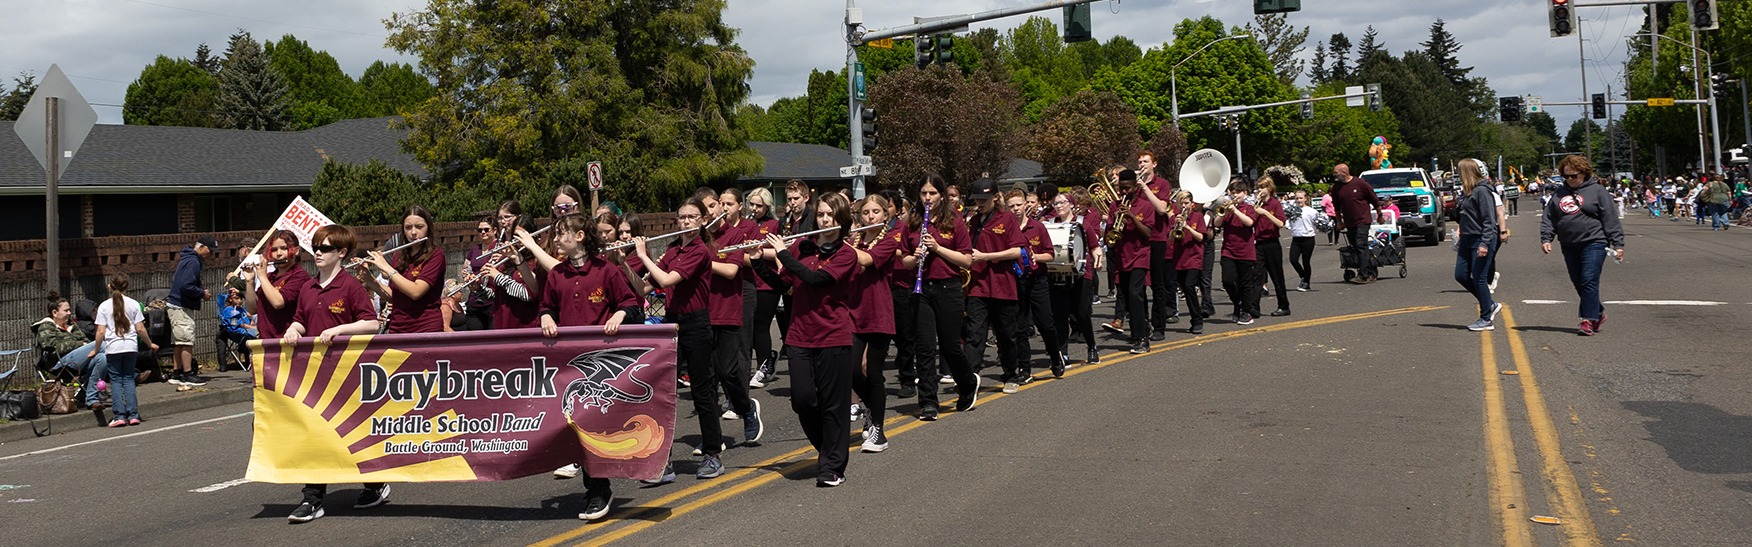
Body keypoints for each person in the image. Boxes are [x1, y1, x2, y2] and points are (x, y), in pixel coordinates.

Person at [280, 224, 389, 523]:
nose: (317, 252)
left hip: (348, 373)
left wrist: (339, 329)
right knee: (315, 434)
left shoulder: (350, 287)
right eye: (315, 247)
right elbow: (301, 320)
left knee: (351, 433)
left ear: (341, 252)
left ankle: (375, 484)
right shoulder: (307, 287)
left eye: (325, 248)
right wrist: (293, 329)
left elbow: (371, 323)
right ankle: (312, 499)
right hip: (315, 374)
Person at [536, 214, 641, 520]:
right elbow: (547, 306)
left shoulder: (606, 270)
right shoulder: (557, 274)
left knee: (597, 426)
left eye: (561, 234)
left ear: (580, 236)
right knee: (575, 427)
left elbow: (630, 304)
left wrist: (620, 316)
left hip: (602, 363)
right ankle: (596, 486)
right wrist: (545, 316)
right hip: (570, 364)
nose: (556, 239)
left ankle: (600, 487)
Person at [764, 192, 859, 486]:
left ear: (841, 221)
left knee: (833, 404)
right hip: (800, 335)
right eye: (821, 215)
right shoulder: (803, 248)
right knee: (803, 401)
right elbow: (784, 284)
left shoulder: (847, 254)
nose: (825, 220)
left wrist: (783, 255)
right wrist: (757, 263)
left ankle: (832, 466)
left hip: (833, 335)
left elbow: (816, 281)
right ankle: (827, 451)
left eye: (831, 215)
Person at [635, 196, 731, 479]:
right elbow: (644, 289)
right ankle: (662, 461)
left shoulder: (700, 251)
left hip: (697, 323)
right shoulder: (673, 249)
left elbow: (666, 281)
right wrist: (625, 263)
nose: (686, 222)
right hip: (672, 323)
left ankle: (713, 454)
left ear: (702, 221)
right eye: (682, 217)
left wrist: (642, 256)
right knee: (663, 393)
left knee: (702, 392)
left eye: (691, 217)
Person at [908, 174, 980, 420]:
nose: (927, 198)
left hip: (948, 287)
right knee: (925, 348)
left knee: (950, 347)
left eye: (932, 194)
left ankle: (968, 382)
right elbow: (904, 259)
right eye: (923, 193)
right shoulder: (914, 221)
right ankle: (928, 401)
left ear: (941, 195)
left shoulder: (955, 221)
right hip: (922, 290)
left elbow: (967, 260)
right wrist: (915, 256)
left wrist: (938, 248)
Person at [1540, 155, 1625, 336]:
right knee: (1578, 281)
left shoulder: (1597, 191)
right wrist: (1546, 238)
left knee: (1588, 279)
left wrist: (1618, 244)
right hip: (1569, 243)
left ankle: (1587, 320)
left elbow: (1610, 218)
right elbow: (1549, 217)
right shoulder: (1559, 193)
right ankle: (1598, 311)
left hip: (1595, 241)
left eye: (1574, 176)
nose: (1570, 179)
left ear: (1584, 173)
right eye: (1566, 176)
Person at [961, 178, 1029, 394]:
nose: (979, 203)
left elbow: (1018, 251)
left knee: (1006, 334)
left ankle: (1010, 374)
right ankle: (970, 377)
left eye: (983, 199)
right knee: (974, 334)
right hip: (978, 287)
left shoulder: (1007, 219)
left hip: (1002, 286)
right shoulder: (973, 221)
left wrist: (987, 256)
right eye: (977, 199)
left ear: (995, 198)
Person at [848, 195, 901, 452]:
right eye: (866, 212)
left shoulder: (889, 241)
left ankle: (878, 430)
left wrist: (839, 246)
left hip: (878, 313)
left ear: (885, 215)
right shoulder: (854, 240)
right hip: (853, 312)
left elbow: (866, 260)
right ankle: (871, 407)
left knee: (873, 371)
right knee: (851, 370)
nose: (870, 216)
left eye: (876, 211)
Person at [1007, 188, 1066, 378]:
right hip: (1016, 280)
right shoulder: (1007, 228)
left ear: (1026, 204)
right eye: (1011, 206)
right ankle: (1024, 367)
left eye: (1018, 205)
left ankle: (1055, 356)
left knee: (1045, 324)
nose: (1016, 209)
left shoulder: (1038, 227)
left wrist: (1036, 257)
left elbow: (1050, 254)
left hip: (1037, 279)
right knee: (1020, 326)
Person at [362, 206, 447, 335]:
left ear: (428, 228)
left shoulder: (436, 255)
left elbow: (416, 292)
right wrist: (368, 278)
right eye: (408, 227)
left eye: (419, 227)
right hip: (398, 326)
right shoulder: (399, 255)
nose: (413, 232)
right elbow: (394, 296)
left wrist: (386, 267)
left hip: (425, 327)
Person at [92, 273, 156, 428]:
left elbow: (100, 332)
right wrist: (150, 344)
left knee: (115, 380)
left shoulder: (104, 306)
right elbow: (140, 329)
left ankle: (119, 415)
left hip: (113, 347)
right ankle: (133, 415)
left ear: (110, 286)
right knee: (128, 379)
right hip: (130, 346)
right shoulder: (134, 304)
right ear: (127, 287)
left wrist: (95, 350)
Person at [1046, 189, 1102, 365]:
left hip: (1080, 273)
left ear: (1071, 204)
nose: (1059, 206)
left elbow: (1094, 247)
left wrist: (1098, 259)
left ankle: (1092, 346)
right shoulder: (1048, 224)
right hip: (1057, 274)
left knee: (1082, 314)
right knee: (1060, 315)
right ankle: (1063, 353)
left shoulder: (1082, 224)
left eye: (1062, 202)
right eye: (1056, 203)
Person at [1454, 158, 1503, 331]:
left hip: (1480, 239)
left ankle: (1486, 318)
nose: (1457, 175)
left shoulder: (1482, 191)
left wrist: (1484, 243)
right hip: (1467, 239)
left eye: (1460, 171)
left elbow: (1490, 220)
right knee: (1460, 275)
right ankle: (1490, 303)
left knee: (1480, 277)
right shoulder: (1467, 192)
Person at [1113, 169, 1157, 353]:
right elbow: (1109, 233)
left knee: (1135, 294)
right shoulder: (1114, 205)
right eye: (1121, 189)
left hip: (1140, 255)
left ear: (1135, 187)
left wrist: (1131, 217)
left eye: (1127, 188)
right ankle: (1142, 327)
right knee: (1130, 299)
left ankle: (1141, 339)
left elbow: (1148, 233)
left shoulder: (1145, 206)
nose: (1124, 192)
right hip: (1122, 256)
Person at [744, 187, 785, 388]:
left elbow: (779, 252)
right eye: (752, 204)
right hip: (748, 280)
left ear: (767, 206)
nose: (754, 208)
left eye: (759, 205)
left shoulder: (774, 225)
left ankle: (763, 367)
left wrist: (757, 251)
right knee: (748, 327)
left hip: (767, 283)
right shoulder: (745, 224)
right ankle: (765, 359)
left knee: (761, 325)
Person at [36, 293, 106, 410]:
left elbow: (85, 341)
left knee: (103, 358)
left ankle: (91, 399)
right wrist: (78, 344)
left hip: (78, 362)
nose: (69, 313)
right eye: (66, 310)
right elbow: (54, 348)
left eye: (69, 310)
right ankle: (125, 376)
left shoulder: (72, 326)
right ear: (54, 313)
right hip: (59, 364)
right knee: (103, 344)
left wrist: (82, 345)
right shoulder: (46, 327)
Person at [1136, 152, 1180, 338]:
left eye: (1145, 161)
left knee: (1158, 285)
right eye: (1139, 162)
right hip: (1138, 240)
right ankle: (1142, 324)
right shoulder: (1135, 185)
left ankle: (1159, 326)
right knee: (1138, 287)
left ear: (1154, 163)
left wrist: (1144, 188)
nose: (1142, 164)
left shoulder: (1162, 184)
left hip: (1157, 239)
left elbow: (1162, 208)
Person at [165, 234, 216, 386]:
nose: (211, 254)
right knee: (186, 340)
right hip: (181, 306)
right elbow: (186, 285)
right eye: (210, 250)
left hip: (175, 304)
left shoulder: (187, 258)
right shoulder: (193, 261)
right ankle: (187, 374)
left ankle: (176, 373)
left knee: (178, 341)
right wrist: (202, 293)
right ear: (201, 247)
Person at [1216, 178, 1260, 324]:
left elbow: (1249, 222)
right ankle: (1237, 302)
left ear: (1245, 193)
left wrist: (1235, 210)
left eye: (1238, 193)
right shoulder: (1227, 208)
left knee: (1245, 283)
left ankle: (1246, 312)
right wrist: (1222, 213)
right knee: (1227, 280)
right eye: (1232, 193)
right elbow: (1216, 224)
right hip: (1228, 250)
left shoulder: (1249, 208)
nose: (1235, 196)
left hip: (1245, 251)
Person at [1168, 190, 1209, 335]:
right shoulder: (1175, 218)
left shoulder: (1198, 216)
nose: (1184, 206)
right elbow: (1171, 239)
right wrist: (1175, 226)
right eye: (1181, 203)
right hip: (1179, 259)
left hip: (1194, 258)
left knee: (1189, 286)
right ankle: (1195, 318)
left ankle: (1197, 320)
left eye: (1186, 203)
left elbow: (1200, 237)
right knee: (1186, 289)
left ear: (1192, 204)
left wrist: (1186, 226)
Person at [1330, 163, 1379, 283]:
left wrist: (1380, 215)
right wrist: (1339, 221)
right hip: (1349, 222)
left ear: (1344, 172)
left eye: (1336, 172)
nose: (1334, 175)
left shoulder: (1360, 183)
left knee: (1361, 244)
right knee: (1356, 247)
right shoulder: (1337, 187)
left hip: (1363, 220)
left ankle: (1363, 275)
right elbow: (1336, 206)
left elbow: (1374, 199)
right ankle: (1371, 271)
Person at [1253, 173, 1290, 317]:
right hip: (1259, 243)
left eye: (1263, 187)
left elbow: (1281, 223)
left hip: (1272, 243)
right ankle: (1254, 307)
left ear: (1269, 188)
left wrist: (1265, 213)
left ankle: (1284, 305)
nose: (1260, 190)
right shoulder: (1257, 204)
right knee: (1257, 276)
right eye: (1259, 188)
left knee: (1276, 275)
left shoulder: (1274, 203)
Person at [1286, 191, 1319, 292]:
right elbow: (1287, 222)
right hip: (1296, 239)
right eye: (1297, 198)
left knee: (1306, 262)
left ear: (1306, 199)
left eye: (1301, 198)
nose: (1299, 200)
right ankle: (1303, 276)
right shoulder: (1292, 210)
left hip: (1308, 239)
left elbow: (1318, 222)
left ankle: (1306, 283)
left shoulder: (1312, 211)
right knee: (1293, 260)